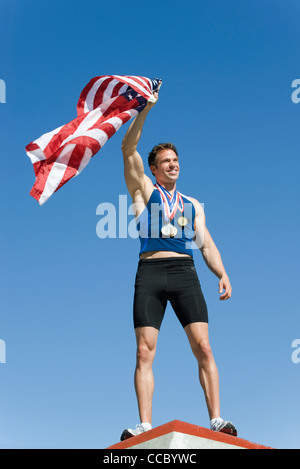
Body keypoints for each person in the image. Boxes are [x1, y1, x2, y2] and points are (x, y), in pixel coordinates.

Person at [120, 88, 237, 441]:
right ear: (153, 169)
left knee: (203, 347)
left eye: (176, 159)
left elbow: (207, 243)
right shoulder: (143, 190)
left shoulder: (193, 204)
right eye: (166, 161)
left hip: (185, 273)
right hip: (151, 272)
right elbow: (128, 149)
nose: (174, 164)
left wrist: (223, 273)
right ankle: (144, 425)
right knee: (144, 350)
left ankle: (217, 419)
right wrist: (145, 108)